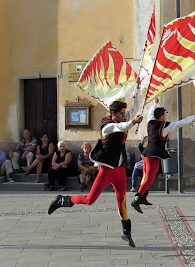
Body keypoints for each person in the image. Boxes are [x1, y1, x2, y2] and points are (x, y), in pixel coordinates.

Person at [48, 94, 144, 248]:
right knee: (90, 200)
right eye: (120, 113)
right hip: (106, 170)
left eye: (123, 113)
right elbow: (120, 127)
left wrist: (138, 88)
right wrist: (133, 122)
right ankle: (63, 200)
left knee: (121, 199)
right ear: (113, 114)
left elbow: (134, 108)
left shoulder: (121, 119)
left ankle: (125, 231)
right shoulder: (108, 125)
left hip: (118, 169)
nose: (123, 115)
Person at [132, 98, 195, 213]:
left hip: (146, 153)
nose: (165, 116)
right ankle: (137, 199)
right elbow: (181, 123)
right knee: (148, 179)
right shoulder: (165, 126)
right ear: (162, 117)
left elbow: (150, 113)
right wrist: (194, 116)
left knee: (145, 177)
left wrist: (155, 103)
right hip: (153, 155)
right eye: (164, 114)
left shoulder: (150, 122)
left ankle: (143, 197)